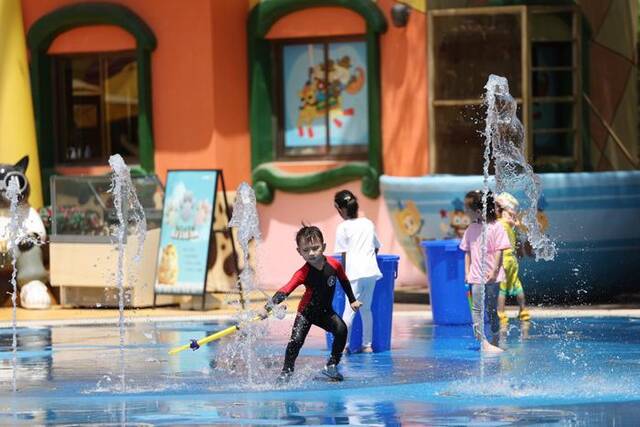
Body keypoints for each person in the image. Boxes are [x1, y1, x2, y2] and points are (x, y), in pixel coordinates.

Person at [264, 225, 362, 383]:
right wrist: (267, 308)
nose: (311, 253)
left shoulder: (334, 265)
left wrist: (352, 300)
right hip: (306, 313)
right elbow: (285, 290)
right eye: (306, 250)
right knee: (295, 341)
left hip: (325, 312)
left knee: (341, 330)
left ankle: (331, 366)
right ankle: (286, 371)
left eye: (315, 248)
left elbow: (344, 280)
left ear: (323, 247)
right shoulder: (302, 273)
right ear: (299, 252)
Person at [459, 190, 510, 353]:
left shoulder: (496, 227)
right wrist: (467, 272)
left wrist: (494, 272)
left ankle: (495, 335)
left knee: (492, 308)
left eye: (467, 208)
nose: (465, 211)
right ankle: (483, 341)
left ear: (479, 211)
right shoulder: (471, 229)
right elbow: (467, 251)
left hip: (492, 278)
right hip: (476, 276)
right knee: (477, 309)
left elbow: (499, 251)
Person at [333, 189, 382, 354]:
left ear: (339, 209)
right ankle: (367, 345)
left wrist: (343, 278)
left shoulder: (343, 227)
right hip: (371, 272)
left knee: (349, 311)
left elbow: (343, 256)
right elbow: (376, 247)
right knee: (366, 310)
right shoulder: (368, 223)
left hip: (354, 274)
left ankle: (344, 346)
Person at [495, 192, 531, 323]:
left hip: (503, 259)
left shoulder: (498, 223)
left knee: (502, 287)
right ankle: (524, 311)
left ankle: (501, 313)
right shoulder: (511, 224)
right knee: (517, 284)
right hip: (512, 259)